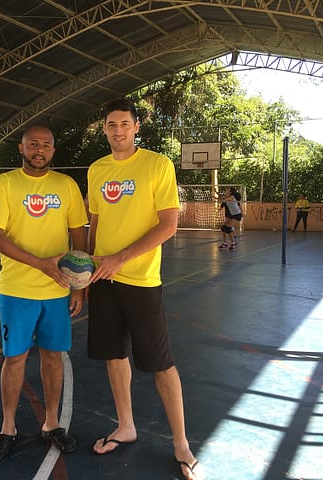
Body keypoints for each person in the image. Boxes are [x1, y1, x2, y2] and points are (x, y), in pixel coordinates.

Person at [86, 99, 205, 480]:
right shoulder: (97, 169)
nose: (118, 130)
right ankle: (126, 426)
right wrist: (87, 271)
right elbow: (95, 223)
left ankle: (181, 444)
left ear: (137, 127)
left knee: (161, 363)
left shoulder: (157, 164)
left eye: (125, 123)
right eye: (111, 124)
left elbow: (168, 225)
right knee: (113, 355)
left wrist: (120, 258)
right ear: (104, 129)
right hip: (102, 279)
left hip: (141, 281)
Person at [0, 125, 88, 461]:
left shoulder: (66, 186)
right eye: (33, 144)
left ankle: (52, 423)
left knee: (53, 357)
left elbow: (79, 236)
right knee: (15, 358)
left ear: (53, 150)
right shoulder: (4, 184)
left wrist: (79, 285)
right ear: (21, 148)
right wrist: (40, 264)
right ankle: (7, 428)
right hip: (17, 289)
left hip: (58, 290)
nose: (39, 150)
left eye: (46, 145)